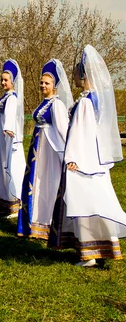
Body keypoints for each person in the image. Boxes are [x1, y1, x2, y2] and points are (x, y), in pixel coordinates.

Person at [49, 45, 126, 266]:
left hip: (81, 161)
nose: (73, 76)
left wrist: (72, 157)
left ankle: (89, 253)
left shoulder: (85, 102)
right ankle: (103, 247)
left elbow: (79, 132)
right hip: (95, 160)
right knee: (96, 203)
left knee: (83, 204)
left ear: (83, 75)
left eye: (75, 73)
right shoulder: (95, 100)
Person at [17, 59, 72, 239]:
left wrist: (67, 155)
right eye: (41, 82)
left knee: (47, 184)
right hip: (37, 150)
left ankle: (47, 224)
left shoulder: (56, 105)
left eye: (46, 83)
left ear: (54, 86)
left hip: (49, 151)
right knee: (36, 184)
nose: (42, 85)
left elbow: (63, 131)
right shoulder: (44, 102)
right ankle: (34, 222)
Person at [0, 59, 26, 218]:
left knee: (8, 166)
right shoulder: (5, 97)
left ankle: (13, 201)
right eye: (2, 80)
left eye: (5, 80)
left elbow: (9, 114)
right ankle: (0, 200)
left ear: (13, 81)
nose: (3, 82)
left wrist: (8, 127)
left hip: (6, 137)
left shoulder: (12, 98)